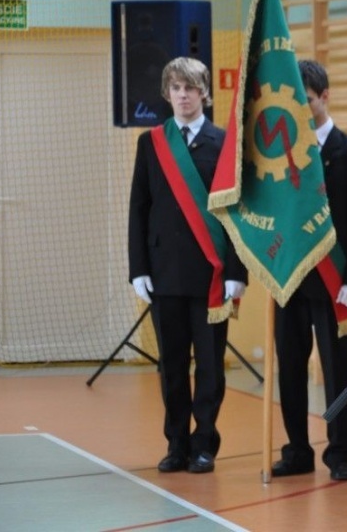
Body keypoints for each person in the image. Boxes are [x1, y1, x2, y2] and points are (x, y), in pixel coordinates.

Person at [128, 56, 248, 474]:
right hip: (164, 272)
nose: (183, 95)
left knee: (211, 367)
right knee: (172, 366)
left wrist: (236, 272)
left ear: (204, 93)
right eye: (176, 88)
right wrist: (138, 268)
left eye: (191, 88)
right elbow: (139, 208)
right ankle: (176, 444)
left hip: (211, 274)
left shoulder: (224, 143)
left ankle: (204, 444)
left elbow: (236, 211)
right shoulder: (151, 143)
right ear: (167, 93)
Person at [271, 60, 347, 482]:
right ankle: (297, 449)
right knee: (290, 369)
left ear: (325, 97)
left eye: (309, 99)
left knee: (338, 371)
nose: (302, 108)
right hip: (292, 280)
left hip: (336, 284)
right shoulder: (282, 154)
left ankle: (340, 451)